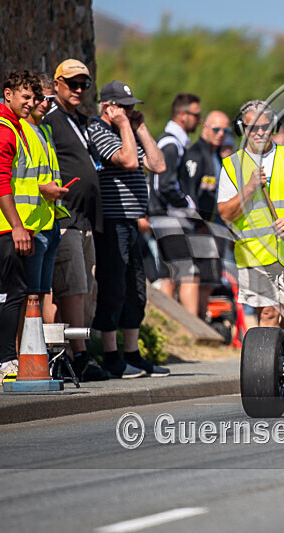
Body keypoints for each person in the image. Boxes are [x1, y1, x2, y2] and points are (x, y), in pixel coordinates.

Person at [87, 80, 169, 378]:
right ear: (108, 107)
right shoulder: (97, 129)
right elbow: (130, 161)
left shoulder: (130, 131)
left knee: (136, 289)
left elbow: (158, 165)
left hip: (131, 220)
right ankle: (111, 355)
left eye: (132, 107)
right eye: (124, 107)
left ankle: (133, 354)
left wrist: (141, 128)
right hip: (111, 219)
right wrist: (123, 125)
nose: (130, 111)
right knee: (114, 287)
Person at [217, 100, 284, 327]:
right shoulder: (232, 165)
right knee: (268, 314)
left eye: (265, 126)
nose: (260, 132)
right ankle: (267, 351)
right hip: (255, 253)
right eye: (253, 128)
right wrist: (250, 187)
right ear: (242, 128)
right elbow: (225, 213)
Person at [0, 70, 43, 385]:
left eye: (34, 97)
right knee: (8, 294)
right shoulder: (2, 129)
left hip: (10, 225)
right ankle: (4, 363)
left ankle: (8, 360)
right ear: (8, 94)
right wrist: (17, 226)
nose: (31, 103)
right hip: (5, 225)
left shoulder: (13, 126)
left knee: (11, 291)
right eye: (25, 96)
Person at [42, 59, 108, 381]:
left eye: (84, 84)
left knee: (84, 289)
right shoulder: (50, 119)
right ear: (57, 85)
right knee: (69, 289)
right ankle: (74, 355)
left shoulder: (80, 121)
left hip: (86, 220)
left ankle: (70, 353)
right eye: (72, 84)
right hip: (65, 217)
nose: (79, 90)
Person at [148, 93, 204, 316]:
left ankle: (171, 326)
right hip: (169, 218)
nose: (199, 120)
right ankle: (190, 328)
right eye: (196, 115)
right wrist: (188, 204)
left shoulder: (175, 142)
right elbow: (164, 185)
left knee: (169, 273)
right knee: (188, 273)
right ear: (182, 115)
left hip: (167, 218)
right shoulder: (171, 143)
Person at [20, 74, 69, 309]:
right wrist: (43, 189)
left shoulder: (45, 131)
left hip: (49, 221)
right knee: (27, 294)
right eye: (40, 98)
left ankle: (35, 334)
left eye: (50, 99)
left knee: (40, 293)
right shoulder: (20, 130)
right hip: (30, 222)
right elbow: (11, 180)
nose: (45, 104)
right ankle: (22, 336)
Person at [180, 110, 232, 317]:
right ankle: (193, 324)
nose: (221, 134)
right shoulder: (196, 154)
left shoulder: (216, 154)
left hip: (216, 226)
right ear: (205, 128)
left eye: (225, 131)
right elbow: (187, 191)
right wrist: (197, 222)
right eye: (216, 129)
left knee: (210, 279)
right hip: (200, 228)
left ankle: (201, 321)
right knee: (196, 278)